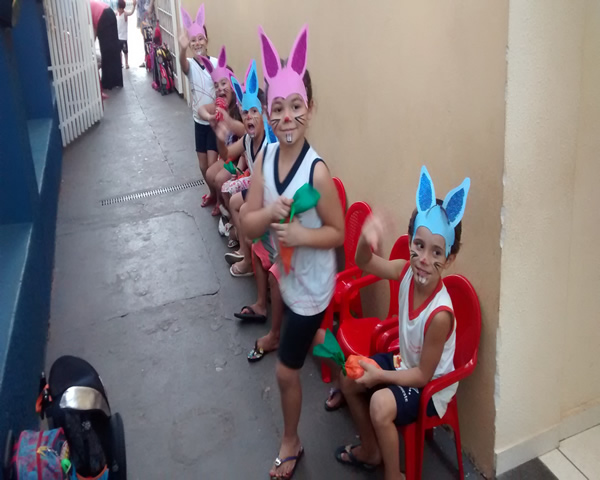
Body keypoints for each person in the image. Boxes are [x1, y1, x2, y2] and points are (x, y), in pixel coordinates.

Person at [241, 25, 344, 479]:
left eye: (296, 106)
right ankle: (346, 376)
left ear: (310, 108)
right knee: (318, 341)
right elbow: (248, 223)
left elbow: (338, 233)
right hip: (287, 278)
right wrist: (269, 214)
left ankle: (291, 441)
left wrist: (301, 236)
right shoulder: (264, 158)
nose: (286, 118)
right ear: (267, 109)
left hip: (313, 287)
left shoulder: (317, 172)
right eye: (278, 107)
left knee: (286, 372)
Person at [334, 166, 470, 480]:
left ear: (449, 259)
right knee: (348, 376)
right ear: (410, 241)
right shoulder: (405, 271)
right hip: (404, 362)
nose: (424, 259)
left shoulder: (440, 315)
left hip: (432, 388)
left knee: (380, 405)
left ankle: (395, 475)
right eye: (419, 245)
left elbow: (423, 376)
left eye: (436, 252)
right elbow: (365, 261)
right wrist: (367, 238)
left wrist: (380, 376)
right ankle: (371, 451)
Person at [178, 4, 219, 208]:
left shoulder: (216, 63)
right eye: (193, 40)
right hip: (198, 122)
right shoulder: (190, 65)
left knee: (212, 166)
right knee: (203, 167)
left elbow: (223, 87)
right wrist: (182, 48)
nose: (197, 43)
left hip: (214, 123)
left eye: (200, 38)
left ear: (207, 40)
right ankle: (212, 193)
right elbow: (182, 64)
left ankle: (220, 200)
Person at [198, 46, 245, 217]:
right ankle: (220, 202)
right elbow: (201, 109)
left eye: (224, 84)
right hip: (228, 155)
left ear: (232, 85)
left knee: (219, 180)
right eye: (216, 86)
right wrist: (210, 117)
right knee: (210, 173)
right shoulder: (219, 107)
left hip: (241, 157)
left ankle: (230, 214)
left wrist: (229, 121)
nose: (220, 89)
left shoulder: (239, 107)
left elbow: (246, 133)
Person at [90, 0, 123, 89]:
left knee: (106, 51)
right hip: (110, 12)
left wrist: (92, 42)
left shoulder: (83, 10)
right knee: (114, 48)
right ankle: (117, 80)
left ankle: (108, 82)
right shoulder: (88, 3)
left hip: (103, 17)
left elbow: (94, 28)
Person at [116, 0, 136, 69]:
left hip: (124, 37)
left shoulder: (125, 14)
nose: (118, 9)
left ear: (122, 8)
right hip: (118, 37)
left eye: (119, 8)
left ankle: (126, 63)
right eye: (118, 8)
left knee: (125, 52)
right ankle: (120, 63)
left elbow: (131, 13)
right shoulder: (116, 14)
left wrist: (134, 6)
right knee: (119, 52)